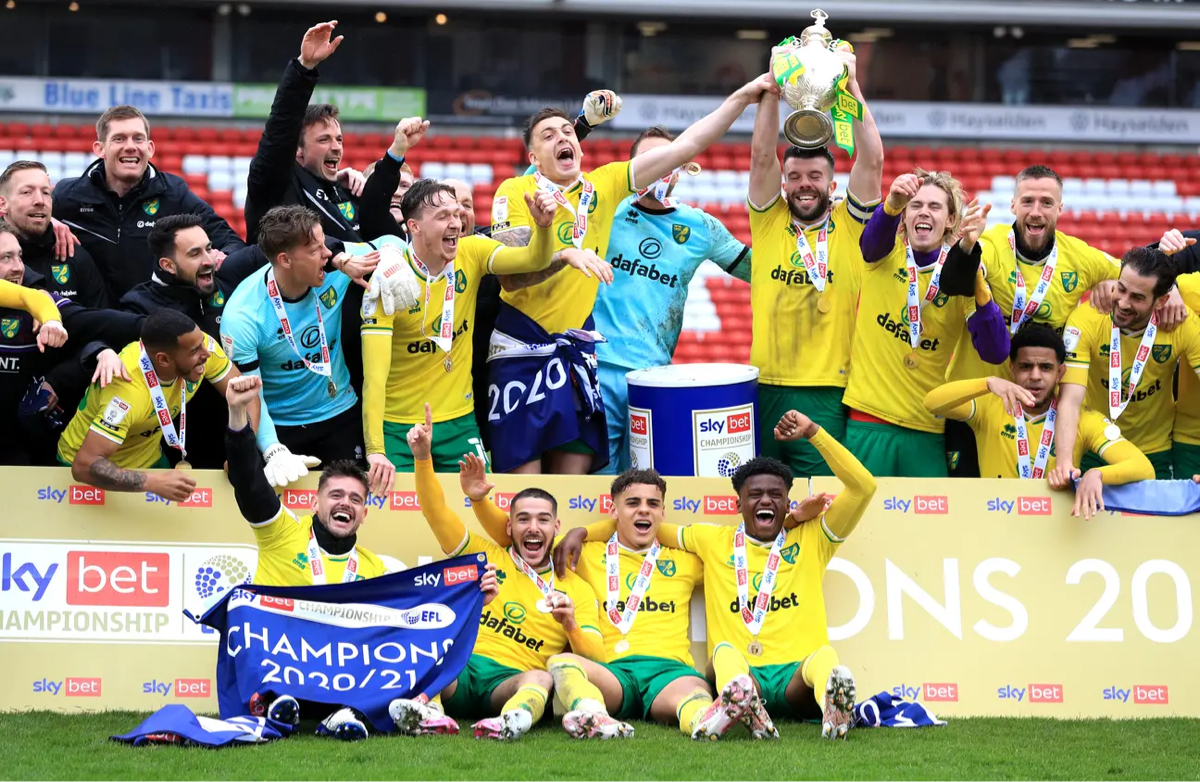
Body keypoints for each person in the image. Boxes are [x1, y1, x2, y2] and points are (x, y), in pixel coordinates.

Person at [486, 74, 778, 475]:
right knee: (546, 489)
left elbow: (691, 145)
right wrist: (564, 253)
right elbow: (517, 259)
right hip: (556, 358)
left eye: (568, 131)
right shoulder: (560, 197)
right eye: (549, 135)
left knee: (613, 489)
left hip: (623, 371)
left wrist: (744, 97)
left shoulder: (660, 210)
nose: (562, 138)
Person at [560, 414, 876, 739]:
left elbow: (864, 487)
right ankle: (744, 706)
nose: (765, 500)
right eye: (755, 495)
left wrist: (812, 433)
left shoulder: (814, 538)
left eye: (775, 496)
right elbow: (641, 523)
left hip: (796, 676)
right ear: (739, 504)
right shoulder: (712, 541)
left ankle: (835, 713)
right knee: (723, 652)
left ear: (787, 504)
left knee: (826, 657)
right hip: (743, 672)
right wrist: (583, 531)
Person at [222, 374, 500, 741]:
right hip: (286, 669)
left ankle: (354, 713)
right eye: (335, 495)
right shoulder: (283, 533)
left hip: (342, 677)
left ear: (365, 514)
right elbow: (248, 481)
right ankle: (282, 704)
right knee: (243, 603)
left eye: (355, 499)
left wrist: (473, 595)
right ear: (315, 503)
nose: (345, 504)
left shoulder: (381, 571)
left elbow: (428, 621)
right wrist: (237, 413)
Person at [936, 165, 1186, 476]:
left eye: (1046, 202)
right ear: (1013, 205)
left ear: (1060, 208)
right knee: (965, 509)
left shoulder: (1079, 256)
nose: (1036, 211)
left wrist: (1170, 287)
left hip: (1038, 413)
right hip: (977, 407)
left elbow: (1137, 274)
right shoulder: (989, 244)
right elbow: (953, 282)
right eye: (1027, 201)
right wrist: (966, 247)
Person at [471, 467, 750, 741]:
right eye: (632, 503)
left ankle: (703, 722)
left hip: (668, 671)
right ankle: (594, 716)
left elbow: (749, 545)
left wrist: (791, 519)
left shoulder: (687, 559)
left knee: (692, 695)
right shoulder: (583, 553)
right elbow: (517, 536)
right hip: (614, 674)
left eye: (653, 504)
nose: (643, 510)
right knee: (561, 662)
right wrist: (579, 533)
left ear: (662, 513)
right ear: (613, 511)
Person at [361, 180, 602, 488]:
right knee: (405, 524)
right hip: (399, 429)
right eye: (442, 216)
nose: (456, 222)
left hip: (460, 425)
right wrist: (376, 450)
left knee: (478, 515)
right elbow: (375, 380)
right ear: (414, 226)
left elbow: (533, 260)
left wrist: (543, 228)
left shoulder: (471, 251)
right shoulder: (388, 284)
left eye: (457, 212)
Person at [388, 404, 606, 741]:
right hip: (460, 669)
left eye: (543, 520)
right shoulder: (485, 555)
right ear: (510, 525)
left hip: (508, 682)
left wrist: (571, 626)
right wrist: (422, 458)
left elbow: (597, 657)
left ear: (556, 526)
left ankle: (511, 720)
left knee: (541, 678)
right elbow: (434, 512)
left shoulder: (575, 588)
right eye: (523, 519)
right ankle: (429, 713)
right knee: (426, 648)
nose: (533, 527)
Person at [748, 43, 884, 479]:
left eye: (815, 177)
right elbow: (759, 155)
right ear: (784, 183)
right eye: (795, 178)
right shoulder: (769, 221)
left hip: (827, 387)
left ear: (831, 182)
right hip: (765, 383)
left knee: (819, 494)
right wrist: (772, 89)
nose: (805, 185)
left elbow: (874, 159)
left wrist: (853, 89)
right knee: (760, 488)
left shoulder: (851, 223)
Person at [586, 125, 750, 474]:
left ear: (680, 167)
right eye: (649, 160)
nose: (659, 168)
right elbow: (544, 188)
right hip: (595, 368)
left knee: (643, 482)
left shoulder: (701, 227)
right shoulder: (603, 210)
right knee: (596, 481)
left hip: (653, 379)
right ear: (631, 168)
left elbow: (759, 270)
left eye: (667, 159)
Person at [840, 171, 1008, 477]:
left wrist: (974, 268)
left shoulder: (959, 278)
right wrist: (892, 202)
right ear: (903, 218)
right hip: (868, 421)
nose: (923, 212)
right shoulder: (884, 254)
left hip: (927, 427)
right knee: (862, 524)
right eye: (915, 205)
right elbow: (870, 241)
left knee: (925, 525)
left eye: (934, 207)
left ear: (951, 220)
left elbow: (995, 351)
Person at [221, 205, 391, 476]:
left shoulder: (338, 268)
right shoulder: (243, 314)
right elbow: (252, 395)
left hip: (340, 413)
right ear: (285, 260)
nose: (328, 254)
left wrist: (393, 262)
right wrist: (271, 448)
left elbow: (390, 242)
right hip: (280, 427)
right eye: (315, 250)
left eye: (325, 245)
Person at [923, 323, 1154, 519]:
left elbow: (1144, 468)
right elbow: (932, 402)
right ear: (1012, 368)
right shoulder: (989, 405)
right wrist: (987, 383)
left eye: (1045, 368)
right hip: (996, 524)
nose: (1035, 376)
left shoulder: (1080, 419)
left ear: (1060, 373)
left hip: (1054, 534)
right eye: (1025, 367)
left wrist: (1098, 475)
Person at [52, 105, 245, 301]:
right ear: (100, 149)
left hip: (153, 324)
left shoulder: (173, 194)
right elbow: (24, 231)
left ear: (150, 148)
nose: (130, 146)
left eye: (138, 138)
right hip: (91, 324)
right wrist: (48, 221)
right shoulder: (68, 196)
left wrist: (223, 256)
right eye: (119, 138)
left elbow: (232, 242)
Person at [56, 308, 252, 501]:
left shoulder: (202, 347)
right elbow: (84, 466)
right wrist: (151, 482)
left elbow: (246, 396)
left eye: (202, 343)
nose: (207, 353)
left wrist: (243, 449)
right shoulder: (126, 392)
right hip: (94, 470)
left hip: (149, 459)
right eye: (194, 351)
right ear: (164, 360)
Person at [1053, 247, 1200, 483]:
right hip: (1095, 446)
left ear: (1161, 301)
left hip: (1155, 451)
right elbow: (1069, 401)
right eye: (1121, 289)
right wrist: (1064, 464)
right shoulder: (1087, 319)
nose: (1122, 302)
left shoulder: (1181, 324)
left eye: (1137, 297)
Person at [244, 19, 365, 245]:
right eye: (324, 139)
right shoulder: (275, 183)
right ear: (297, 151)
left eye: (339, 139)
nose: (336, 146)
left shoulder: (343, 190)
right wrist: (304, 67)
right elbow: (280, 130)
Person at [0, 218, 70, 465]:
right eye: (5, 258)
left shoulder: (24, 294)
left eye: (19, 257)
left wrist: (51, 320)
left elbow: (32, 298)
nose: (19, 267)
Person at [0, 161, 109, 307]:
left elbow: (97, 321)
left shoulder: (74, 255)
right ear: (2, 204)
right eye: (27, 192)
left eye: (46, 192)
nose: (40, 201)